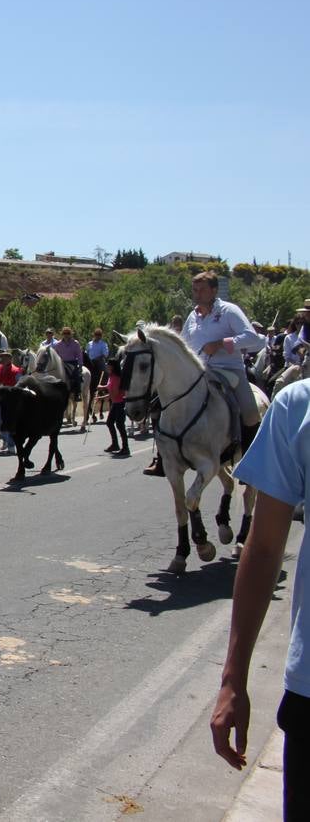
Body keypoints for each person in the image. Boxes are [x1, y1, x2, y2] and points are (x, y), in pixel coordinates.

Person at [211, 378, 310, 819]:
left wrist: (228, 348)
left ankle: (237, 440)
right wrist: (233, 677)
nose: (200, 299)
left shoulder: (227, 319)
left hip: (230, 365)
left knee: (238, 394)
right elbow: (266, 548)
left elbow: (246, 346)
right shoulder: (300, 405)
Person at [181, 271, 264, 430]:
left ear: (214, 290)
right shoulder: (192, 316)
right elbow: (184, 344)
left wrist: (220, 344)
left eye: (202, 290)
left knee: (250, 413)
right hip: (199, 373)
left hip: (229, 370)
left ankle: (251, 451)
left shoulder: (229, 310)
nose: (197, 294)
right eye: (195, 290)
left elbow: (251, 337)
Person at [0, 350, 21, 451]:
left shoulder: (16, 370)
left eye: (6, 357)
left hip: (12, 400)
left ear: (10, 359)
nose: (3, 359)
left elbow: (19, 384)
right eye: (2, 357)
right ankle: (5, 441)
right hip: (1, 399)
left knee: (10, 422)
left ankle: (11, 444)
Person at [101, 358, 129, 456]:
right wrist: (102, 391)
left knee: (120, 425)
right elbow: (111, 389)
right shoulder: (111, 376)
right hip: (115, 403)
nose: (107, 366)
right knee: (109, 423)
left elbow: (115, 394)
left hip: (120, 403)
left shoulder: (117, 378)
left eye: (108, 365)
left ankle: (125, 448)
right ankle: (115, 444)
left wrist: (103, 394)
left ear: (113, 366)